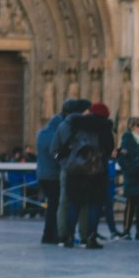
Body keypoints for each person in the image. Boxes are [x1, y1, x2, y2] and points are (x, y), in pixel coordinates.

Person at [46, 99, 91, 247]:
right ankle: (84, 237)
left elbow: (54, 149)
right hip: (85, 169)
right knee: (84, 202)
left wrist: (64, 162)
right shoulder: (88, 126)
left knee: (65, 202)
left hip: (67, 169)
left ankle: (63, 236)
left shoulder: (63, 125)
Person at [33, 103, 66, 243]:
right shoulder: (55, 136)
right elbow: (56, 154)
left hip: (42, 175)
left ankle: (48, 234)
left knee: (51, 205)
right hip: (53, 175)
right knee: (55, 206)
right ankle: (51, 235)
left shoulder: (41, 134)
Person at [116, 118, 139, 240]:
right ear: (132, 127)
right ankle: (127, 230)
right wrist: (128, 170)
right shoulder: (127, 138)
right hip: (132, 177)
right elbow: (122, 157)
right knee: (131, 204)